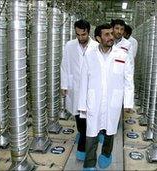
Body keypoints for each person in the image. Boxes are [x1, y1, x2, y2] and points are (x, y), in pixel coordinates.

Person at [78, 23, 134, 170]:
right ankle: (89, 163)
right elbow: (84, 81)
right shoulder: (90, 56)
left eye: (111, 33)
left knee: (110, 130)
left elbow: (128, 80)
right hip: (94, 100)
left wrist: (128, 102)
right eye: (107, 34)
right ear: (98, 38)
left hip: (112, 100)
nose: (111, 37)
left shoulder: (122, 55)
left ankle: (106, 154)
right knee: (91, 133)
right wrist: (82, 106)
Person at [60, 19, 98, 161]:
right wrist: (64, 85)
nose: (80, 38)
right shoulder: (69, 45)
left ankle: (82, 148)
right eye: (78, 35)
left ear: (88, 32)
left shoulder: (96, 46)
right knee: (78, 116)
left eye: (83, 34)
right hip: (75, 87)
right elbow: (64, 65)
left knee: (87, 119)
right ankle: (82, 134)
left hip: (90, 89)